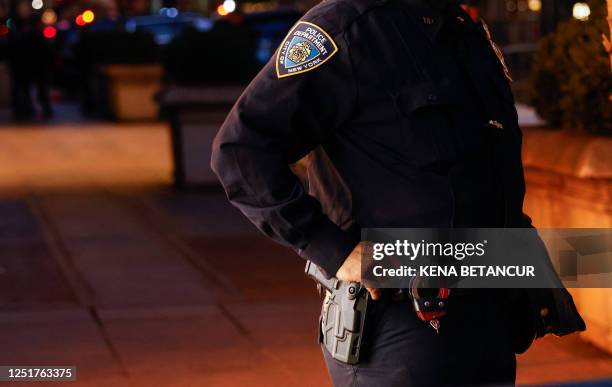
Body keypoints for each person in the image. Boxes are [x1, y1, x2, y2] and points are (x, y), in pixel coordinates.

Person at [211, 0, 583, 385]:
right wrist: (334, 251)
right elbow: (240, 151)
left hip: (489, 316)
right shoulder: (346, 27)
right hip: (399, 323)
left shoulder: (462, 28)